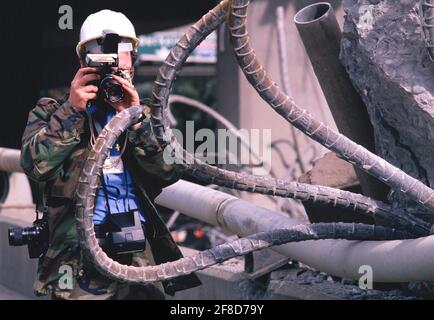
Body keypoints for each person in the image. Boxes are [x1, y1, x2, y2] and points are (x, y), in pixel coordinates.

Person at [20, 9, 201, 300]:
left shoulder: (142, 115)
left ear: (133, 65)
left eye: (121, 70)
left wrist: (134, 117)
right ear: (83, 63)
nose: (112, 78)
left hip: (137, 253)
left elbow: (168, 171)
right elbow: (35, 165)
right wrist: (73, 110)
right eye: (105, 69)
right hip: (78, 259)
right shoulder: (53, 111)